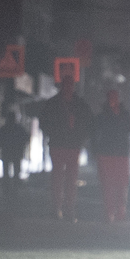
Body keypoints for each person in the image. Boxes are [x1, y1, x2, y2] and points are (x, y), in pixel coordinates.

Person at [35, 76, 93, 222]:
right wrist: (55, 133)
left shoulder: (77, 104)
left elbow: (88, 123)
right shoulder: (55, 104)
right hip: (59, 145)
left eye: (70, 85)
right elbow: (44, 123)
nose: (68, 88)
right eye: (66, 85)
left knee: (70, 179)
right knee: (58, 178)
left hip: (71, 145)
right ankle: (57, 209)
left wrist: (79, 136)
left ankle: (68, 209)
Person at [91, 87, 130, 223]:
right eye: (111, 97)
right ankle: (109, 212)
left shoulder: (125, 114)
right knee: (108, 185)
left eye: (115, 97)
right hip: (106, 154)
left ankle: (120, 211)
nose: (113, 100)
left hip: (121, 154)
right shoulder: (102, 116)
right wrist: (96, 151)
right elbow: (94, 134)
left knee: (122, 184)